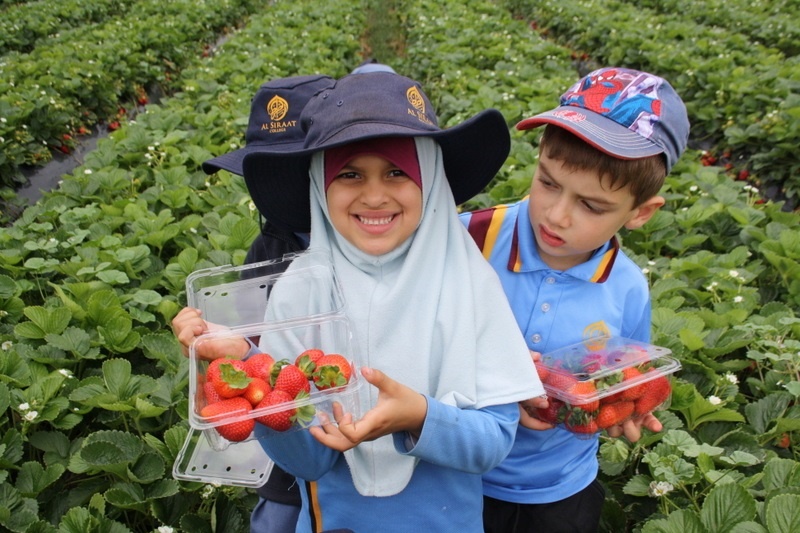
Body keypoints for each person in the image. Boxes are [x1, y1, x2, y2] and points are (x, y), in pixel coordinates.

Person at [235, 71, 544, 533]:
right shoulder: (303, 289)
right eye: (350, 174)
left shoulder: (467, 282)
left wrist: (421, 416)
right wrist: (253, 386)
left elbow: (494, 440)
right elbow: (309, 463)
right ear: (320, 187)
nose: (375, 195)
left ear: (430, 178)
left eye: (397, 172)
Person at [459, 67, 690, 533]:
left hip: (562, 487)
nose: (557, 215)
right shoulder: (470, 239)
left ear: (640, 213)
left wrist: (621, 408)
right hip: (459, 474)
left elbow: (619, 375)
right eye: (547, 182)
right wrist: (498, 378)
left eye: (591, 206)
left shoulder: (627, 288)